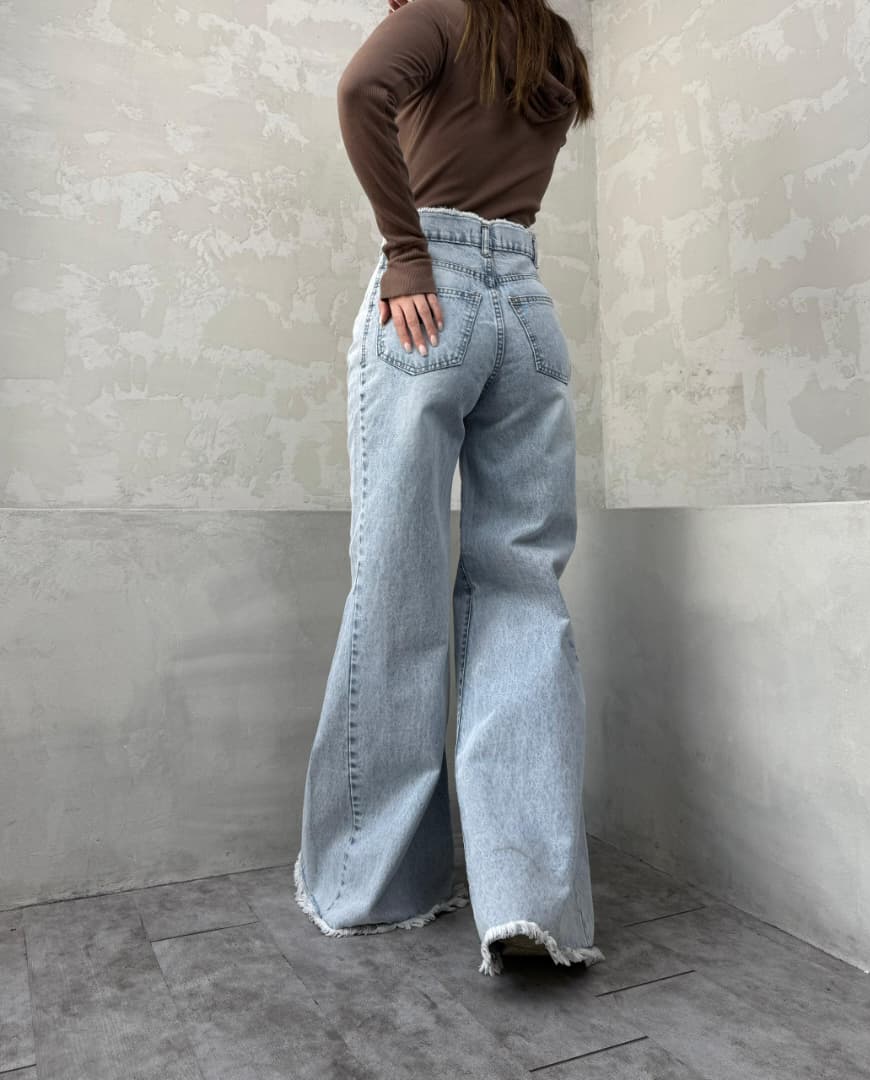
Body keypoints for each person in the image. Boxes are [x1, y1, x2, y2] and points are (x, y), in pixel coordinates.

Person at [294, 0, 604, 977]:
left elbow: (360, 90)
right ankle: (528, 903)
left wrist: (404, 253)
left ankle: (377, 884)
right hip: (527, 308)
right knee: (522, 593)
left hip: (430, 301)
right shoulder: (549, 40)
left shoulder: (440, 15)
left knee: (398, 581)